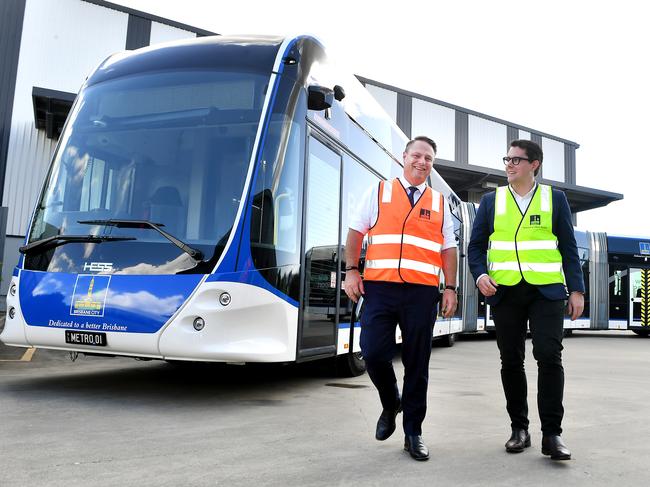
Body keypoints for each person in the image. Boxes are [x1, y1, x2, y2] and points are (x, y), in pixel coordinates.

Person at [467, 139, 584, 461]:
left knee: (549, 356)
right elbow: (475, 247)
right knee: (511, 360)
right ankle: (519, 429)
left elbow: (569, 249)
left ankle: (552, 435)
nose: (509, 165)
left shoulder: (554, 199)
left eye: (516, 160)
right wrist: (480, 275)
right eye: (506, 159)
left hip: (546, 291)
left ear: (534, 164)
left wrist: (577, 290)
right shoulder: (492, 201)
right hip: (505, 291)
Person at [343, 136, 458, 461]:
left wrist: (450, 287)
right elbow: (356, 231)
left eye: (429, 159)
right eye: (417, 156)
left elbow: (448, 247)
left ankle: (413, 432)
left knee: (417, 365)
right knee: (374, 352)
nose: (423, 162)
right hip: (379, 288)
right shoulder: (379, 191)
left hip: (422, 293)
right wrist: (352, 270)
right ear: (403, 157)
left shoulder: (438, 203)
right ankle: (390, 400)